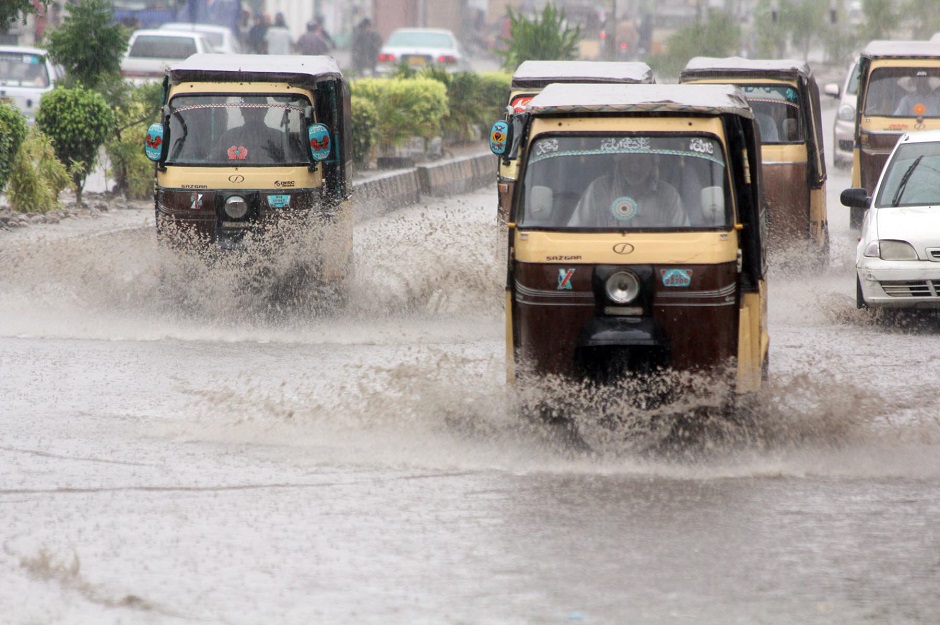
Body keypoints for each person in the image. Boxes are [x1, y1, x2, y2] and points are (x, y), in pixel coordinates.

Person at [568, 151, 688, 228]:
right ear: (619, 164)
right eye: (628, 160)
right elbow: (575, 230)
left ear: (652, 165)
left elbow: (685, 237)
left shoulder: (669, 194)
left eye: (641, 161)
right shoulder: (598, 188)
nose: (634, 168)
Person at [215, 106, 285, 163]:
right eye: (248, 109)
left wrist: (279, 158)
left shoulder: (279, 137)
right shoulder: (228, 137)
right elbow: (213, 164)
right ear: (241, 110)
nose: (253, 113)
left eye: (257, 109)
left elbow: (290, 167)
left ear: (265, 110)